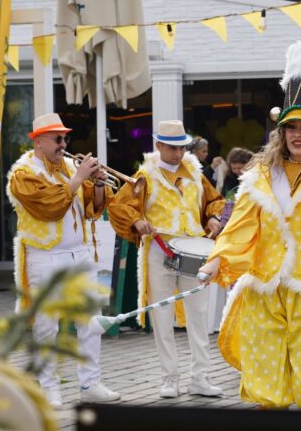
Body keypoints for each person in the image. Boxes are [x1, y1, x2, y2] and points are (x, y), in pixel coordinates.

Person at [198, 38, 301, 410]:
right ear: (281, 131)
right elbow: (240, 225)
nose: (297, 134)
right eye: (291, 127)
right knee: (267, 384)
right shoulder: (260, 176)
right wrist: (217, 260)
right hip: (265, 289)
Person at [6, 112, 121, 406]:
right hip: (45, 256)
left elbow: (93, 210)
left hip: (80, 253)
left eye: (65, 137)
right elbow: (51, 207)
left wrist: (97, 184)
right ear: (38, 141)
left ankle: (90, 383)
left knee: (91, 321)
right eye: (57, 138)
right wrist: (80, 177)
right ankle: (48, 386)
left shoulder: (69, 165)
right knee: (47, 325)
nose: (63, 143)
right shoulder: (23, 173)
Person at [108, 120, 226, 399]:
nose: (178, 153)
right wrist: (137, 221)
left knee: (198, 314)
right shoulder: (144, 177)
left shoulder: (197, 174)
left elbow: (214, 201)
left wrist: (213, 216)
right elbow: (120, 206)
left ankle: (200, 377)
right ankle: (169, 378)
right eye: (172, 148)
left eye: (181, 147)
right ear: (158, 145)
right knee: (162, 315)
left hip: (194, 250)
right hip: (159, 249)